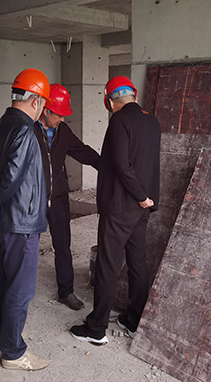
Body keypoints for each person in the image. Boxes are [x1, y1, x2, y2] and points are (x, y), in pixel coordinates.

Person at [70, 75, 161, 345]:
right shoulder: (152, 120)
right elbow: (148, 164)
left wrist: (139, 195)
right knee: (137, 263)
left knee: (107, 266)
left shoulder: (119, 121)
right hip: (143, 209)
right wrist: (146, 199)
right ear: (134, 94)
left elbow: (121, 165)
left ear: (109, 102)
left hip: (121, 207)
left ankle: (96, 329)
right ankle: (133, 321)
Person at [0, 68, 51, 371]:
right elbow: (11, 177)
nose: (42, 110)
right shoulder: (24, 130)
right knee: (21, 287)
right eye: (43, 104)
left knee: (4, 279)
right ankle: (14, 352)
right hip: (21, 222)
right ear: (36, 101)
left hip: (6, 222)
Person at [33, 84, 100, 311]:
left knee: (63, 246)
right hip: (33, 199)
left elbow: (83, 152)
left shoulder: (63, 131)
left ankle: (66, 292)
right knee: (26, 247)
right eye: (58, 114)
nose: (62, 119)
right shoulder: (28, 131)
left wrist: (109, 167)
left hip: (59, 198)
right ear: (45, 110)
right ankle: (20, 292)